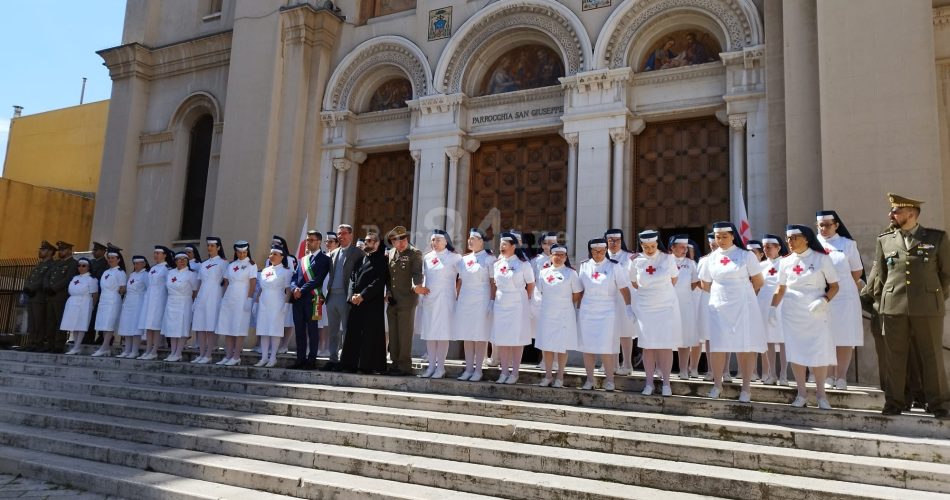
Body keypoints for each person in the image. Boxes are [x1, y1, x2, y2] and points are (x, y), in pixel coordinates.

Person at [871, 193, 950, 418]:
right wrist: (883, 302)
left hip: (928, 308)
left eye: (896, 211)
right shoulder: (885, 240)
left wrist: (932, 297)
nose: (891, 215)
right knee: (895, 357)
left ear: (911, 214)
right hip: (893, 307)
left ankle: (939, 404)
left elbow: (946, 275)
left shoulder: (936, 238)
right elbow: (881, 277)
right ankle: (895, 402)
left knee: (931, 355)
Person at [769, 225, 839, 409]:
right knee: (796, 351)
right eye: (788, 239)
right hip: (792, 311)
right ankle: (801, 394)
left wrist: (824, 300)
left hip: (816, 310)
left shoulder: (822, 258)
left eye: (794, 238)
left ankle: (821, 395)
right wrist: (772, 307)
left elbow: (834, 286)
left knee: (819, 350)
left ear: (806, 238)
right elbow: (781, 287)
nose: (789, 242)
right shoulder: (785, 261)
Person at [698, 222, 766, 402]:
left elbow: (758, 281)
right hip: (719, 305)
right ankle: (717, 385)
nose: (720, 240)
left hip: (743, 305)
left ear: (733, 236)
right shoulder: (710, 258)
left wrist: (743, 293)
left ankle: (745, 389)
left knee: (745, 345)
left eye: (724, 237)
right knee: (718, 345)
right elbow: (705, 284)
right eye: (717, 237)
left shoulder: (746, 256)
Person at [815, 210, 865, 390]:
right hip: (820, 295)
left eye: (828, 225)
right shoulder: (812, 244)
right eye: (821, 225)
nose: (824, 228)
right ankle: (827, 375)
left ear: (836, 225)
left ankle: (841, 377)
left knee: (844, 336)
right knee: (824, 336)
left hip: (844, 296)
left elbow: (857, 271)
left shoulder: (848, 244)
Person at [577, 238, 636, 391]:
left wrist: (629, 306)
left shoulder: (614, 267)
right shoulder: (584, 266)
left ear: (605, 251)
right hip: (587, 310)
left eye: (601, 251)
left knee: (606, 347)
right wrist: (576, 308)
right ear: (590, 251)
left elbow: (624, 289)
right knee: (588, 347)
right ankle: (590, 380)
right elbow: (580, 290)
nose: (598, 254)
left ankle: (610, 380)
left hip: (607, 310)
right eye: (595, 251)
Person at [629, 230, 682, 396]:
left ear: (657, 243)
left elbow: (674, 279)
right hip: (645, 307)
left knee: (665, 344)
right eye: (646, 247)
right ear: (641, 245)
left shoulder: (668, 258)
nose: (650, 249)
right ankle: (649, 383)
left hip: (665, 306)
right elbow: (633, 282)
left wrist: (660, 292)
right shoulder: (635, 260)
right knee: (648, 345)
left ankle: (666, 383)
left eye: (652, 246)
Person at [339, 232, 389, 374]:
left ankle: (367, 365)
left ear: (377, 243)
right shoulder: (360, 260)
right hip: (356, 303)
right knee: (354, 334)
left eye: (369, 241)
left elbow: (379, 282)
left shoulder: (382, 261)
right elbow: (352, 279)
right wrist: (352, 296)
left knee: (369, 335)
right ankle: (350, 364)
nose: (366, 243)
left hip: (371, 304)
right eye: (365, 241)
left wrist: (363, 295)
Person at [489, 232, 536, 384]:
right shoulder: (497, 264)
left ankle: (514, 372)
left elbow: (531, 285)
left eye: (505, 244)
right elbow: (495, 285)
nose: (501, 247)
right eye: (500, 244)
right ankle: (504, 372)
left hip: (518, 304)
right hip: (501, 303)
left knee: (517, 338)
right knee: (502, 339)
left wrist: (525, 300)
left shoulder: (523, 264)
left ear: (513, 246)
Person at [416, 230, 461, 378]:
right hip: (429, 300)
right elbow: (424, 277)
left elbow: (463, 278)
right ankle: (431, 367)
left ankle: (440, 367)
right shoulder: (428, 257)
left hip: (446, 300)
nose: (434, 243)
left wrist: (458, 294)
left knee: (442, 334)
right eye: (432, 240)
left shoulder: (455, 258)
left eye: (437, 240)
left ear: (446, 241)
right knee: (430, 334)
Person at [534, 244, 581, 387]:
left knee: (562, 345)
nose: (559, 257)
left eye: (562, 255)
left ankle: (560, 376)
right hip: (547, 312)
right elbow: (539, 292)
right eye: (556, 254)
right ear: (551, 256)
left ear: (566, 257)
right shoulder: (543, 273)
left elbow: (577, 294)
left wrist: (563, 304)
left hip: (564, 313)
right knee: (547, 345)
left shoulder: (571, 273)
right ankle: (548, 376)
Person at [454, 228, 495, 382]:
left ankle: (478, 370)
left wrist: (492, 301)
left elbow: (493, 282)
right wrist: (456, 298)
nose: (470, 241)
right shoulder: (463, 259)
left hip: (481, 299)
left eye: (474, 238)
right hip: (465, 299)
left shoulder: (489, 259)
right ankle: (469, 368)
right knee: (467, 335)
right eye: (469, 238)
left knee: (480, 335)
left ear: (482, 241)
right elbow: (460, 281)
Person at [324, 224, 363, 370]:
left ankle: (345, 360)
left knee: (346, 330)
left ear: (351, 235)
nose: (341, 236)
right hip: (332, 296)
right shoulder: (333, 253)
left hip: (346, 296)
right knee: (333, 330)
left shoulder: (358, 253)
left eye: (344, 233)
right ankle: (332, 359)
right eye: (339, 234)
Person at [385, 225, 423, 376]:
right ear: (392, 242)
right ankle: (395, 362)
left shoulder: (414, 253)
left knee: (405, 333)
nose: (400, 243)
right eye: (395, 241)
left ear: (406, 239)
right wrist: (388, 291)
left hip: (407, 298)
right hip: (393, 299)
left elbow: (417, 273)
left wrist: (416, 286)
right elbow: (389, 276)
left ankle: (405, 365)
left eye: (403, 240)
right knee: (393, 332)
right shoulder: (391, 253)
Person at [291, 230, 331, 369]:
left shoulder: (325, 259)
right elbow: (294, 278)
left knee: (313, 331)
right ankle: (300, 359)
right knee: (299, 331)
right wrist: (294, 288)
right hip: (298, 300)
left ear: (319, 242)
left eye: (311, 240)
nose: (308, 242)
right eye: (307, 240)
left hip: (313, 299)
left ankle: (311, 359)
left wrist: (301, 290)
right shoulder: (302, 259)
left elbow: (318, 279)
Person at [214, 241, 257, 366]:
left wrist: (249, 299)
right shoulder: (231, 265)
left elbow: (253, 283)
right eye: (239, 252)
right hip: (230, 298)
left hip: (242, 298)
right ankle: (228, 356)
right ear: (236, 252)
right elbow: (226, 282)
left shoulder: (251, 265)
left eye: (244, 252)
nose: (242, 254)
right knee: (228, 327)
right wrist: (224, 298)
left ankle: (236, 356)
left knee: (238, 328)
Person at [605, 229, 639, 375]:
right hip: (608, 299)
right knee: (610, 332)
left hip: (625, 299)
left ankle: (627, 364)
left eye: (617, 240)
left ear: (621, 241)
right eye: (610, 240)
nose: (613, 243)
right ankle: (612, 364)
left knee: (626, 332)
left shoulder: (630, 256)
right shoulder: (602, 256)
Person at [758, 234, 789, 385]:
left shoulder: (786, 263)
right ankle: (772, 374)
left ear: (778, 248)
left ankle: (783, 374)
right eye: (764, 247)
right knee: (768, 341)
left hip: (781, 305)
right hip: (764, 306)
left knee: (783, 341)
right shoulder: (761, 265)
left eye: (769, 247)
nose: (766, 250)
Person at [255, 245, 293, 367]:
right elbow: (261, 288)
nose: (272, 256)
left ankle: (273, 358)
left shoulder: (286, 271)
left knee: (274, 330)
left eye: (275, 254)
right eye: (271, 254)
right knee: (264, 330)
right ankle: (264, 357)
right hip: (264, 302)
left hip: (278, 302)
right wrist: (256, 302)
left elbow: (288, 289)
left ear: (282, 257)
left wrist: (287, 304)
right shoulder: (265, 270)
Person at [191, 237, 227, 364]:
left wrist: (224, 298)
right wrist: (195, 299)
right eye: (208, 245)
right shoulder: (204, 264)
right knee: (200, 325)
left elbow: (225, 282)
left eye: (212, 245)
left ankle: (208, 353)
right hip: (202, 295)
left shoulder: (223, 263)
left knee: (210, 325)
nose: (210, 248)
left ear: (218, 247)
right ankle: (201, 353)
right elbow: (200, 282)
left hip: (215, 294)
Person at [670, 235, 701, 379]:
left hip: (685, 304)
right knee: (665, 338)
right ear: (673, 248)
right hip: (668, 304)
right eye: (681, 247)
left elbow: (694, 283)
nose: (684, 250)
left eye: (685, 247)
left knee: (685, 338)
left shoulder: (691, 263)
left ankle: (683, 370)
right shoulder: (665, 261)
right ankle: (661, 369)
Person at [137, 246, 173, 360]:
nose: (156, 255)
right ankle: (148, 349)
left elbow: (168, 285)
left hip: (160, 298)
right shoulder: (152, 268)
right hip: (150, 298)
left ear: (164, 255)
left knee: (156, 325)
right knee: (148, 325)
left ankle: (154, 350)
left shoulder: (167, 268)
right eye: (155, 253)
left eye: (158, 253)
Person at [161, 251, 198, 361]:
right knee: (172, 328)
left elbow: (195, 291)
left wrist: (193, 303)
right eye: (179, 259)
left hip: (184, 302)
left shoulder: (191, 274)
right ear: (175, 261)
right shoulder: (170, 272)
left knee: (182, 328)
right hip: (171, 301)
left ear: (187, 261)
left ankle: (178, 353)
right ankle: (172, 352)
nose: (181, 261)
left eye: (184, 259)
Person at [91, 246, 127, 357]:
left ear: (118, 259)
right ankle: (105, 347)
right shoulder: (106, 271)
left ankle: (105, 346)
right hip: (104, 299)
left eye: (113, 258)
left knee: (109, 324)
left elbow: (122, 289)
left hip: (113, 299)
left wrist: (120, 292)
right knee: (103, 324)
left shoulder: (120, 272)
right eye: (109, 257)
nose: (110, 259)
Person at [44, 241, 78, 353]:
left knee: (60, 321)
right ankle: (50, 344)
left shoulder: (73, 263)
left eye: (63, 250)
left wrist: (54, 288)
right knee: (50, 321)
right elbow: (47, 276)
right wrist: (47, 287)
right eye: (60, 250)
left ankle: (58, 345)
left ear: (69, 250)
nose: (60, 252)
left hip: (61, 296)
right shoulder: (56, 263)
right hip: (51, 296)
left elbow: (68, 279)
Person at [22, 241, 55, 351]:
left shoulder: (51, 265)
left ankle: (38, 342)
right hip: (31, 296)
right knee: (31, 321)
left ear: (50, 252)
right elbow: (29, 277)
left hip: (40, 296)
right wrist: (26, 287)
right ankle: (31, 342)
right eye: (41, 249)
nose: (40, 251)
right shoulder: (39, 265)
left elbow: (44, 279)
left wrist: (32, 288)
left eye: (43, 249)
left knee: (39, 321)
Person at [63, 258, 99, 355]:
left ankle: (77, 346)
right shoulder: (75, 278)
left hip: (84, 302)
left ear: (88, 267)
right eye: (79, 265)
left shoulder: (92, 279)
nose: (81, 268)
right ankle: (75, 345)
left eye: (84, 266)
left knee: (81, 325)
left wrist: (92, 306)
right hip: (73, 302)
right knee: (74, 325)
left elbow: (95, 294)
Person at [116, 255, 149, 358]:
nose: (136, 265)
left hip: (139, 302)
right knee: (127, 326)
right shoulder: (132, 274)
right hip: (129, 302)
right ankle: (127, 350)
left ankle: (135, 351)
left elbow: (148, 289)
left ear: (143, 264)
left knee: (135, 328)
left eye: (138, 263)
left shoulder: (146, 275)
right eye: (134, 263)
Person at [271, 235, 298, 354]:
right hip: (273, 294)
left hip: (286, 293)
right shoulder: (270, 258)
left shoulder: (290, 259)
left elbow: (292, 275)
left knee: (287, 321)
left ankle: (285, 344)